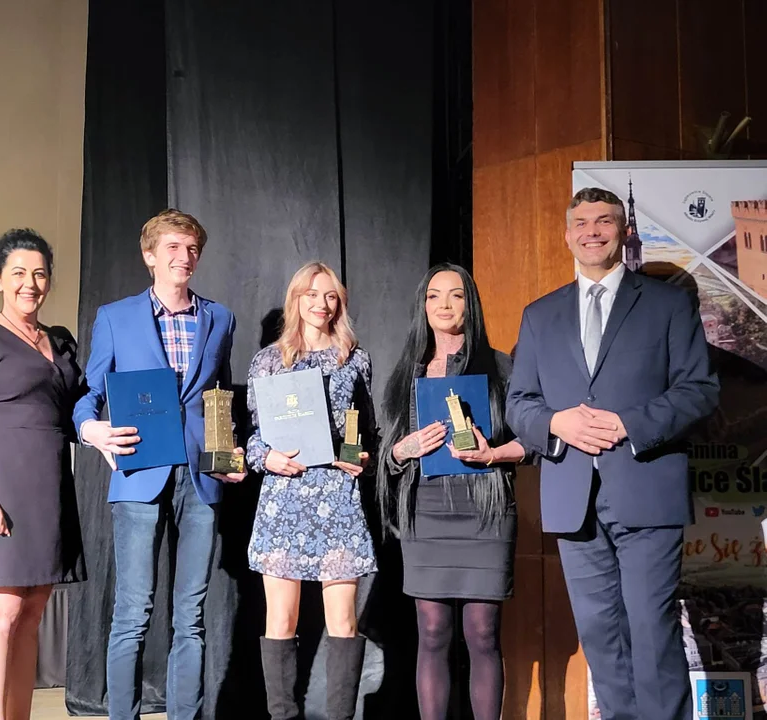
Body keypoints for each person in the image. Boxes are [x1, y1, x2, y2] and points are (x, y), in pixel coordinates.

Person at [506, 187, 719, 720]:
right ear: (566, 235)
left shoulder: (669, 303)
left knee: (651, 627)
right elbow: (519, 404)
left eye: (604, 221)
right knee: (601, 634)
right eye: (581, 222)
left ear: (624, 232)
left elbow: (699, 389)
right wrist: (557, 422)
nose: (592, 231)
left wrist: (629, 423)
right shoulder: (540, 315)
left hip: (646, 489)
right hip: (572, 497)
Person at [73, 209, 245, 720]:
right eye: (172, 247)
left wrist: (227, 452)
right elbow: (87, 395)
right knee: (132, 612)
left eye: (192, 249)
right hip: (138, 473)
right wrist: (92, 430)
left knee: (190, 617)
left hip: (200, 480)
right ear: (150, 256)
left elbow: (220, 400)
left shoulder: (220, 318)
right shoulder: (115, 317)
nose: (184, 257)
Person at [0, 229, 86, 720]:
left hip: (51, 491)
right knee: (0, 616)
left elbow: (75, 415)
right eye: (19, 273)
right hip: (0, 490)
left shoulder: (61, 342)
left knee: (31, 618)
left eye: (40, 273)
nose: (31, 283)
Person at [376, 263, 527, 720]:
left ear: (470, 304)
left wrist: (494, 454)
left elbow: (532, 442)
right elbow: (387, 452)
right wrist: (402, 449)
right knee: (433, 630)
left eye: (456, 295)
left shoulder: (501, 366)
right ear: (423, 307)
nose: (444, 305)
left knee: (482, 631)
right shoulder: (406, 373)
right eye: (434, 296)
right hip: (427, 509)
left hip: (485, 510)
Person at [245, 261, 378, 720]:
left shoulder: (354, 358)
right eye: (312, 294)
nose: (321, 304)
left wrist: (359, 455)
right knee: (281, 621)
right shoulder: (268, 360)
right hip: (285, 498)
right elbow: (251, 438)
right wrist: (268, 458)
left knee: (343, 622)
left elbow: (365, 433)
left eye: (331, 296)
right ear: (295, 299)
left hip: (336, 499)